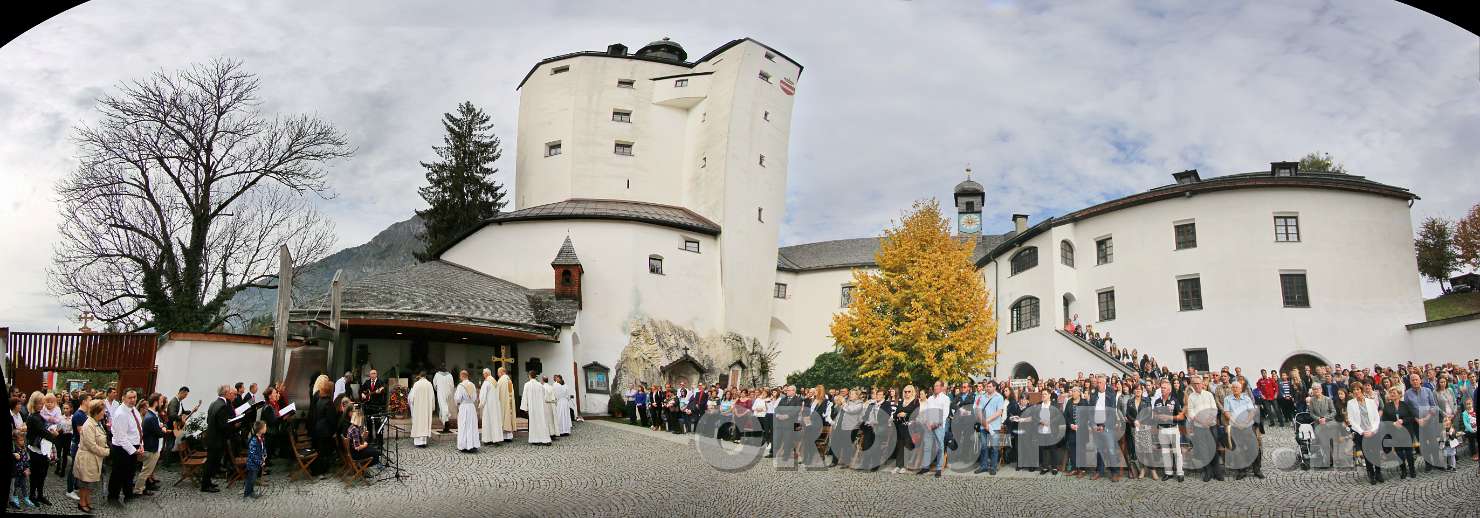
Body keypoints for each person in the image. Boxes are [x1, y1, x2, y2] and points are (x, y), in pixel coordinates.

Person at [106, 389, 142, 505]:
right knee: (118, 473)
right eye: (130, 398)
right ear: (123, 398)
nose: (133, 400)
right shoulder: (120, 413)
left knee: (130, 472)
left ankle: (128, 494)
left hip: (134, 446)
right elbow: (121, 437)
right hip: (122, 448)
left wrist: (141, 444)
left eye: (134, 397)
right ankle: (112, 497)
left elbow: (139, 429)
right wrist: (133, 451)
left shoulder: (134, 410)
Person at [72, 401, 109, 513]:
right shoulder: (89, 425)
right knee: (84, 483)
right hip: (87, 458)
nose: (104, 413)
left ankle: (87, 501)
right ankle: (82, 503)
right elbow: (91, 445)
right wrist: (106, 451)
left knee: (89, 483)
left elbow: (102, 438)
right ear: (97, 411)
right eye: (103, 410)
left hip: (94, 458)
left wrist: (105, 447)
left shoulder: (97, 422)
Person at [201, 384, 238, 491]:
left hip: (211, 437)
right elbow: (223, 425)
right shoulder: (223, 406)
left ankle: (208, 482)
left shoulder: (214, 403)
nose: (232, 395)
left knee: (211, 462)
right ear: (226, 393)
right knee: (211, 462)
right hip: (217, 439)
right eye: (230, 393)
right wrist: (233, 424)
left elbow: (209, 420)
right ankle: (205, 485)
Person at [23, 392, 57, 507]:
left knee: (42, 474)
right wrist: (54, 434)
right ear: (34, 403)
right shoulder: (33, 417)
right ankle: (33, 495)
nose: (42, 405)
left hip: (43, 449)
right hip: (35, 450)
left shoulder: (39, 414)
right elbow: (44, 432)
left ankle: (40, 495)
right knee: (36, 475)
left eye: (42, 403)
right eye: (40, 403)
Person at [1150, 379, 1185, 482]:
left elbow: (1181, 416)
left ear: (1169, 390)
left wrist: (1169, 418)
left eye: (1164, 388)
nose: (1162, 390)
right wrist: (1158, 417)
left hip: (1173, 428)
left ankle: (1180, 473)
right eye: (1161, 388)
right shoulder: (1157, 401)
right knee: (1165, 452)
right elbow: (1154, 415)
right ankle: (1168, 473)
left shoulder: (1174, 400)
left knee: (1177, 452)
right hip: (1162, 429)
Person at [918, 380, 951, 477]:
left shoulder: (945, 398)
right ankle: (925, 467)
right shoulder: (930, 398)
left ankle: (939, 469)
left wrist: (935, 424)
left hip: (939, 426)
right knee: (927, 446)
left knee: (940, 447)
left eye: (937, 386)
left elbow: (945, 414)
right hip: (928, 426)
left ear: (941, 387)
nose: (935, 387)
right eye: (934, 386)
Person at [133, 396, 164, 497]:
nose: (162, 404)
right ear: (155, 402)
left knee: (147, 471)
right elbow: (159, 433)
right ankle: (138, 490)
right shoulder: (150, 417)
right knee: (146, 472)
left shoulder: (151, 415)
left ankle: (142, 488)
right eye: (160, 402)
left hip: (151, 447)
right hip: (150, 448)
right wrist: (163, 430)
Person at [975, 380, 1006, 475]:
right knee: (983, 447)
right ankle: (983, 466)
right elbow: (979, 411)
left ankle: (993, 467)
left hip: (994, 426)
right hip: (983, 426)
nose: (987, 388)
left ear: (994, 387)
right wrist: (984, 422)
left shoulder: (999, 397)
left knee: (994, 447)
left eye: (989, 386)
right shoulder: (982, 396)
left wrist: (987, 421)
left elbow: (999, 412)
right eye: (987, 386)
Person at [308, 376, 336, 478]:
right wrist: (334, 430)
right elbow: (331, 419)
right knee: (323, 451)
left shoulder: (319, 400)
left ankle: (316, 470)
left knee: (319, 450)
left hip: (318, 428)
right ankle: (320, 471)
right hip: (325, 430)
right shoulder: (329, 403)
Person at [521, 371, 553, 445]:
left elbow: (524, 397)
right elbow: (544, 395)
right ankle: (545, 439)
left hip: (532, 407)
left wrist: (525, 408)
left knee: (534, 423)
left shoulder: (527, 385)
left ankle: (535, 440)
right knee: (542, 422)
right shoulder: (540, 385)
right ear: (535, 376)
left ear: (529, 376)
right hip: (540, 407)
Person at [478, 369, 506, 446]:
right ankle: (496, 439)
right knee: (495, 422)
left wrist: (481, 403)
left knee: (487, 422)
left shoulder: (486, 382)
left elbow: (483, 395)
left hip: (488, 405)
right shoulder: (495, 381)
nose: (483, 375)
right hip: (496, 405)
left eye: (484, 374)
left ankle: (488, 440)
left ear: (486, 374)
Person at [454, 371, 480, 453]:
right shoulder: (472, 385)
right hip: (471, 407)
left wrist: (457, 402)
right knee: (472, 425)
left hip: (464, 407)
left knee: (463, 425)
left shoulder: (461, 386)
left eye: (460, 376)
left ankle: (464, 446)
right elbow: (475, 397)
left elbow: (458, 398)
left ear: (462, 376)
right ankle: (473, 445)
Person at [408, 372, 435, 447]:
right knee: (425, 423)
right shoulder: (429, 384)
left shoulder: (416, 384)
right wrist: (432, 407)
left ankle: (418, 442)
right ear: (425, 376)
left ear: (420, 376)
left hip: (418, 408)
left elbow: (412, 397)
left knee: (418, 423)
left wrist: (411, 403)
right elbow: (432, 397)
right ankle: (424, 442)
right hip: (426, 408)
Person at [243, 420, 266, 499]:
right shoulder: (254, 440)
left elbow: (263, 447)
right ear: (260, 429)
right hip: (252, 463)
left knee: (253, 478)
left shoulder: (261, 438)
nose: (266, 428)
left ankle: (251, 492)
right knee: (251, 479)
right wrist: (260, 462)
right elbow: (252, 454)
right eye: (265, 427)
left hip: (256, 463)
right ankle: (247, 493)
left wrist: (264, 455)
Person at [434, 367, 456, 434]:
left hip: (441, 392)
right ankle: (446, 423)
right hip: (448, 393)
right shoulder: (450, 375)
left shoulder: (437, 375)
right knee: (446, 406)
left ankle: (446, 424)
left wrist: (437, 390)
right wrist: (450, 392)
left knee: (443, 407)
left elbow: (435, 384)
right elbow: (452, 386)